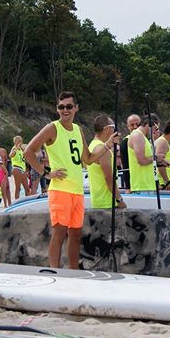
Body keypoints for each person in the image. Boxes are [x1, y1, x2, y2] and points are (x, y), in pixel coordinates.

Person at [24, 91, 115, 269]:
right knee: (59, 233)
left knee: (75, 234)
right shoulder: (52, 128)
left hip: (77, 190)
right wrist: (46, 173)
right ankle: (55, 272)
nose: (65, 110)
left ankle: (74, 273)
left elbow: (87, 159)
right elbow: (29, 150)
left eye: (68, 106)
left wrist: (107, 145)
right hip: (60, 190)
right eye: (61, 107)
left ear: (76, 108)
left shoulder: (78, 130)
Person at [86, 115, 126, 209]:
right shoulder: (103, 150)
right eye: (113, 127)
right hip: (108, 203)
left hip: (98, 200)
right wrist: (119, 200)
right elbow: (109, 177)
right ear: (107, 129)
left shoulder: (92, 145)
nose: (115, 131)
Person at [127, 113, 161, 192]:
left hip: (148, 185)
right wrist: (156, 158)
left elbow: (148, 158)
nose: (155, 131)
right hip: (142, 186)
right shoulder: (137, 135)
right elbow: (141, 160)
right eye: (155, 128)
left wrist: (161, 160)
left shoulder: (143, 137)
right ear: (149, 124)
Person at [119, 114, 141, 190]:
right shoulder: (125, 142)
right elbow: (125, 166)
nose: (135, 127)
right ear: (128, 126)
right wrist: (128, 187)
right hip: (134, 186)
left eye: (137, 124)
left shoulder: (144, 139)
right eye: (132, 125)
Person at [9, 135, 30, 201]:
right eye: (18, 141)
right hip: (17, 168)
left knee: (27, 188)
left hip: (22, 169)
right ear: (15, 142)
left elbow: (24, 160)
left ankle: (27, 202)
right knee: (18, 187)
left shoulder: (21, 149)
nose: (20, 142)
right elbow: (10, 155)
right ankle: (16, 201)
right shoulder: (14, 148)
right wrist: (15, 149)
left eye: (20, 141)